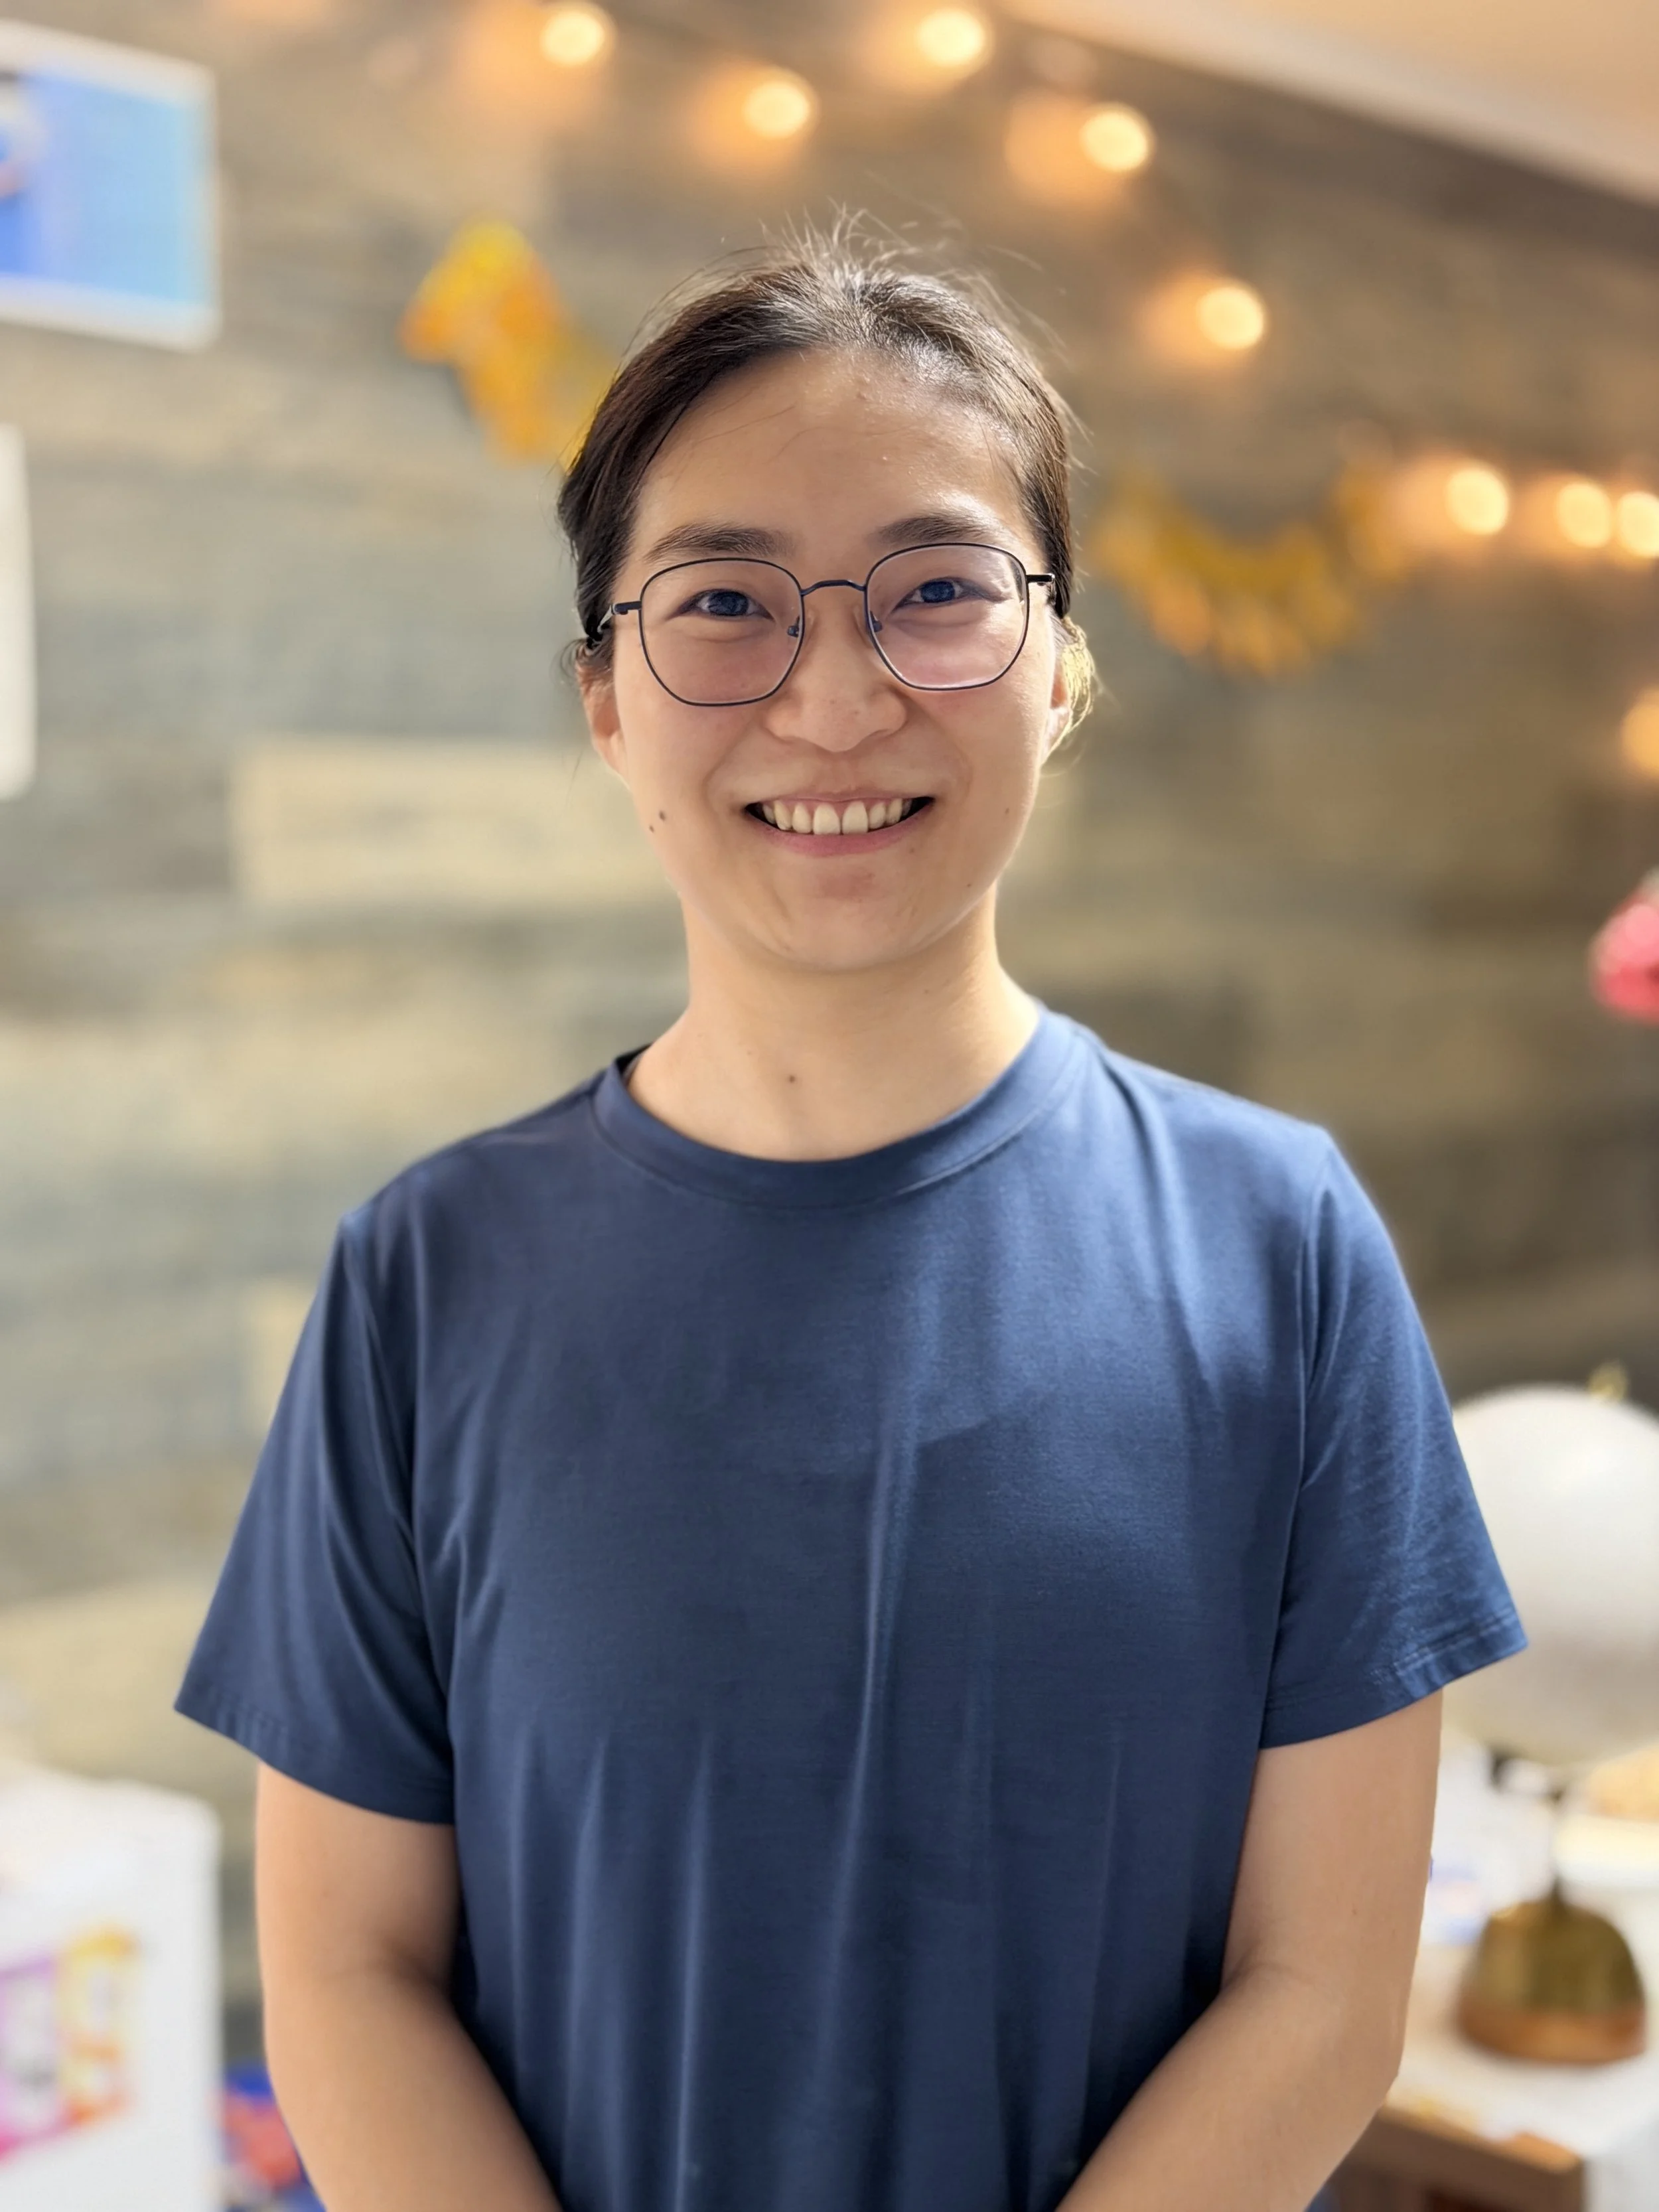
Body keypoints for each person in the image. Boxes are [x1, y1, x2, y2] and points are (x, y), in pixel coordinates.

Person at [178, 232, 1526, 2212]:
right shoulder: (427, 1277)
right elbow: (347, 1966)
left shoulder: (1281, 1248)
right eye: (723, 600)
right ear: (604, 702)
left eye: (936, 594)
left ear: (1060, 668)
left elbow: (1319, 1987)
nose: (832, 696)